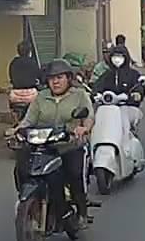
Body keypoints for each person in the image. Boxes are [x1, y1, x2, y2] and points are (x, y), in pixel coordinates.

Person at [16, 59, 94, 228]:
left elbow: (88, 116)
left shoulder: (79, 95)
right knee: (22, 167)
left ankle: (82, 212)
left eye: (59, 77)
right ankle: (31, 201)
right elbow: (29, 120)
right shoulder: (41, 97)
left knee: (75, 174)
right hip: (44, 147)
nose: (55, 82)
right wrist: (17, 130)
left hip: (70, 146)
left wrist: (84, 128)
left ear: (68, 78)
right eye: (52, 78)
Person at [93, 44, 145, 135]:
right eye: (114, 56)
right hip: (108, 108)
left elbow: (139, 86)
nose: (117, 59)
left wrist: (137, 94)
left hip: (128, 107)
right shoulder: (106, 75)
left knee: (123, 116)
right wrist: (94, 94)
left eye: (120, 56)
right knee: (97, 116)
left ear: (126, 58)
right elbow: (97, 86)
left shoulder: (133, 74)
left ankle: (126, 139)